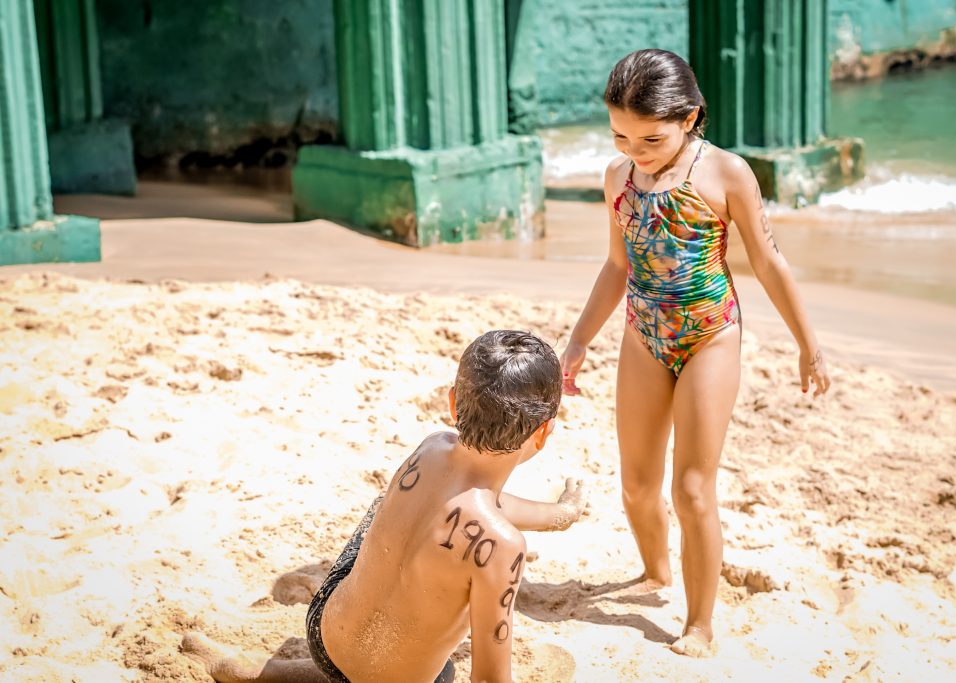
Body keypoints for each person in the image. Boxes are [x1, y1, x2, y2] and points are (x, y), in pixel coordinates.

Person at [559, 48, 831, 658]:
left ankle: (700, 622)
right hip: (643, 333)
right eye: (620, 136)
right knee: (634, 486)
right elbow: (616, 265)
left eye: (649, 138)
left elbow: (767, 259)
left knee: (690, 488)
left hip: (711, 334)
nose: (634, 149)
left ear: (691, 116)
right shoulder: (617, 178)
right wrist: (578, 340)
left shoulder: (727, 173)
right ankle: (656, 574)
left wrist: (808, 345)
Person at [182, 330, 587, 683]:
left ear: (452, 403)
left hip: (324, 633)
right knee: (440, 670)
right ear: (544, 432)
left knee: (390, 507)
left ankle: (267, 671)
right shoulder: (503, 547)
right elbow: (488, 678)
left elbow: (473, 509)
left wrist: (559, 515)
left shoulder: (432, 449)